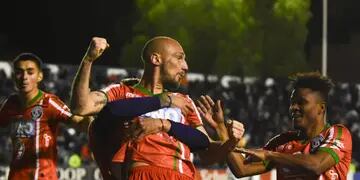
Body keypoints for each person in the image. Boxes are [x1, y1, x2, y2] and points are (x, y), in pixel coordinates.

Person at [70, 36, 245, 179]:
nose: (186, 66)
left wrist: (229, 142)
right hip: (143, 173)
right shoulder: (121, 92)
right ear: (156, 59)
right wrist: (89, 59)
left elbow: (206, 152)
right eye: (179, 57)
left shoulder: (184, 101)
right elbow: (81, 107)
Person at [200, 72, 352, 179]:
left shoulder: (337, 133)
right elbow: (241, 169)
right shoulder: (282, 142)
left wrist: (270, 155)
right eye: (292, 103)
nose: (293, 108)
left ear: (321, 108)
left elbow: (316, 165)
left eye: (301, 102)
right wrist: (221, 128)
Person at [0, 53, 92, 180]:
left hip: (42, 176)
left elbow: (79, 123)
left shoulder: (49, 103)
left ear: (40, 76)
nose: (24, 77)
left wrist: (90, 115)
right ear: (14, 76)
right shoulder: (10, 104)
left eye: (30, 72)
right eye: (19, 72)